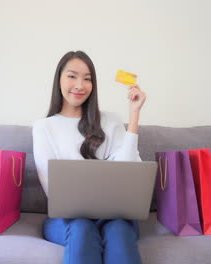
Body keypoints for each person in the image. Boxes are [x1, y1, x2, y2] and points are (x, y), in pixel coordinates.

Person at [32, 50, 147, 264]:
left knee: (120, 231)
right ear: (59, 79)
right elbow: (53, 190)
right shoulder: (44, 127)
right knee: (82, 227)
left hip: (114, 216)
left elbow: (129, 172)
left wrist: (134, 115)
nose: (79, 85)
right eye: (72, 76)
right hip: (67, 219)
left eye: (87, 79)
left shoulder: (111, 121)